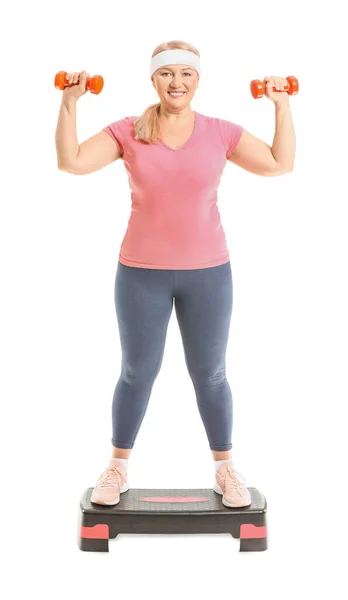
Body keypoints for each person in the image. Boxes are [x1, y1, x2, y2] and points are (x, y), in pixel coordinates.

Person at [55, 40, 296, 509]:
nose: (177, 82)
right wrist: (69, 103)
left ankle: (226, 468)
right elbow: (72, 161)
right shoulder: (129, 130)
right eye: (167, 74)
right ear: (153, 80)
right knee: (136, 372)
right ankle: (117, 467)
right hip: (141, 274)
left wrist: (281, 107)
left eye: (186, 74)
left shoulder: (220, 132)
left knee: (211, 374)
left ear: (198, 80)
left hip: (208, 274)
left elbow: (279, 164)